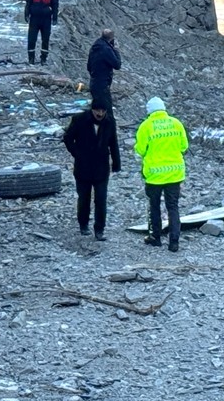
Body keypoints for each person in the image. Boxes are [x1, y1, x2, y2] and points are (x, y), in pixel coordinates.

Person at [134, 97, 188, 252]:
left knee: (154, 206)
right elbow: (184, 146)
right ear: (164, 108)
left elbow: (140, 150)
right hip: (174, 173)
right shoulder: (176, 123)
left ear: (149, 111)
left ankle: (155, 237)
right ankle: (174, 242)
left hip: (154, 175)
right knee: (173, 207)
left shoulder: (146, 126)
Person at [62, 96, 121, 240]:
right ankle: (83, 225)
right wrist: (77, 154)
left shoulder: (109, 122)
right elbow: (68, 138)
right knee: (84, 198)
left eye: (103, 111)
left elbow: (113, 142)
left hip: (101, 168)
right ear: (92, 110)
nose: (100, 114)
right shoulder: (79, 120)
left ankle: (99, 229)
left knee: (101, 199)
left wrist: (116, 163)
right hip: (83, 168)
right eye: (97, 111)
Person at [24, 0, 59, 65]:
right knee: (31, 39)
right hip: (34, 19)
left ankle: (43, 58)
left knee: (45, 39)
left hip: (46, 19)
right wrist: (26, 14)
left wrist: (55, 18)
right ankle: (31, 59)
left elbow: (55, 5)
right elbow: (28, 3)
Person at [86, 28, 121, 111]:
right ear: (111, 38)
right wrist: (116, 50)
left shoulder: (95, 46)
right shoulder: (106, 49)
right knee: (106, 111)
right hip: (103, 84)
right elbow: (117, 65)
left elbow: (89, 66)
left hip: (93, 82)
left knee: (96, 111)